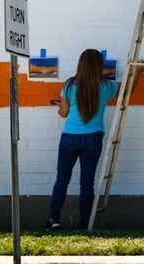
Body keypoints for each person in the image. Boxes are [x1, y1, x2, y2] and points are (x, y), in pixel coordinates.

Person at [47, 49, 119, 230]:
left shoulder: (70, 85)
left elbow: (63, 113)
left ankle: (54, 220)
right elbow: (128, 90)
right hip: (93, 138)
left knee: (62, 179)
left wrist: (60, 105)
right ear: (99, 66)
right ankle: (85, 223)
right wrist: (139, 72)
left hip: (70, 136)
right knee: (87, 183)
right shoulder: (106, 86)